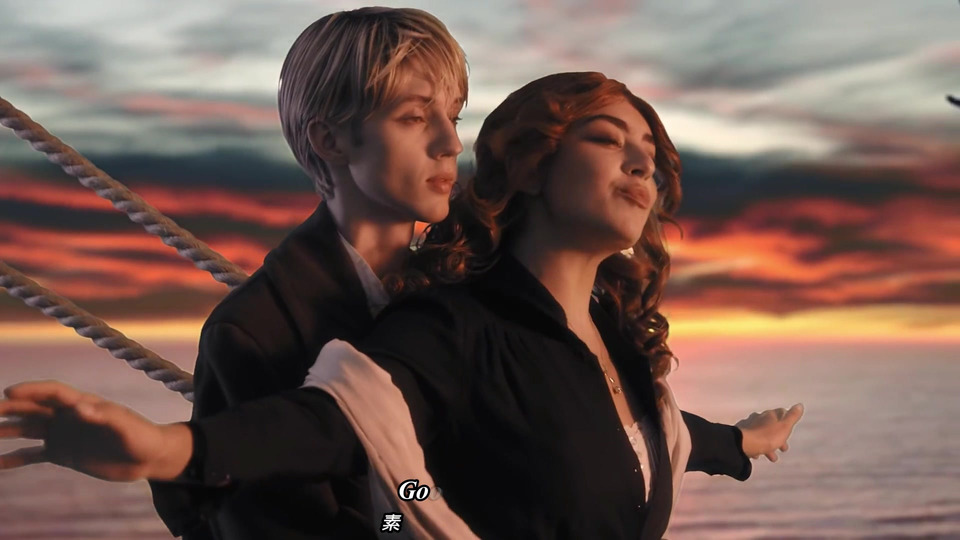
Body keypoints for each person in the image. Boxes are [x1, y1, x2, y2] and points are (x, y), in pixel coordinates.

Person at [0, 72, 804, 539]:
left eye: (652, 157)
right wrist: (167, 448)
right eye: (606, 139)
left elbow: (645, 432)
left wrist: (743, 442)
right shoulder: (452, 327)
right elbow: (341, 422)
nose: (641, 165)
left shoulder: (612, 339)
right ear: (529, 166)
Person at [148, 7, 468, 540]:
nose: (450, 143)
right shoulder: (252, 332)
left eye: (452, 117)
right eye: (414, 117)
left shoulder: (465, 287)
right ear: (330, 140)